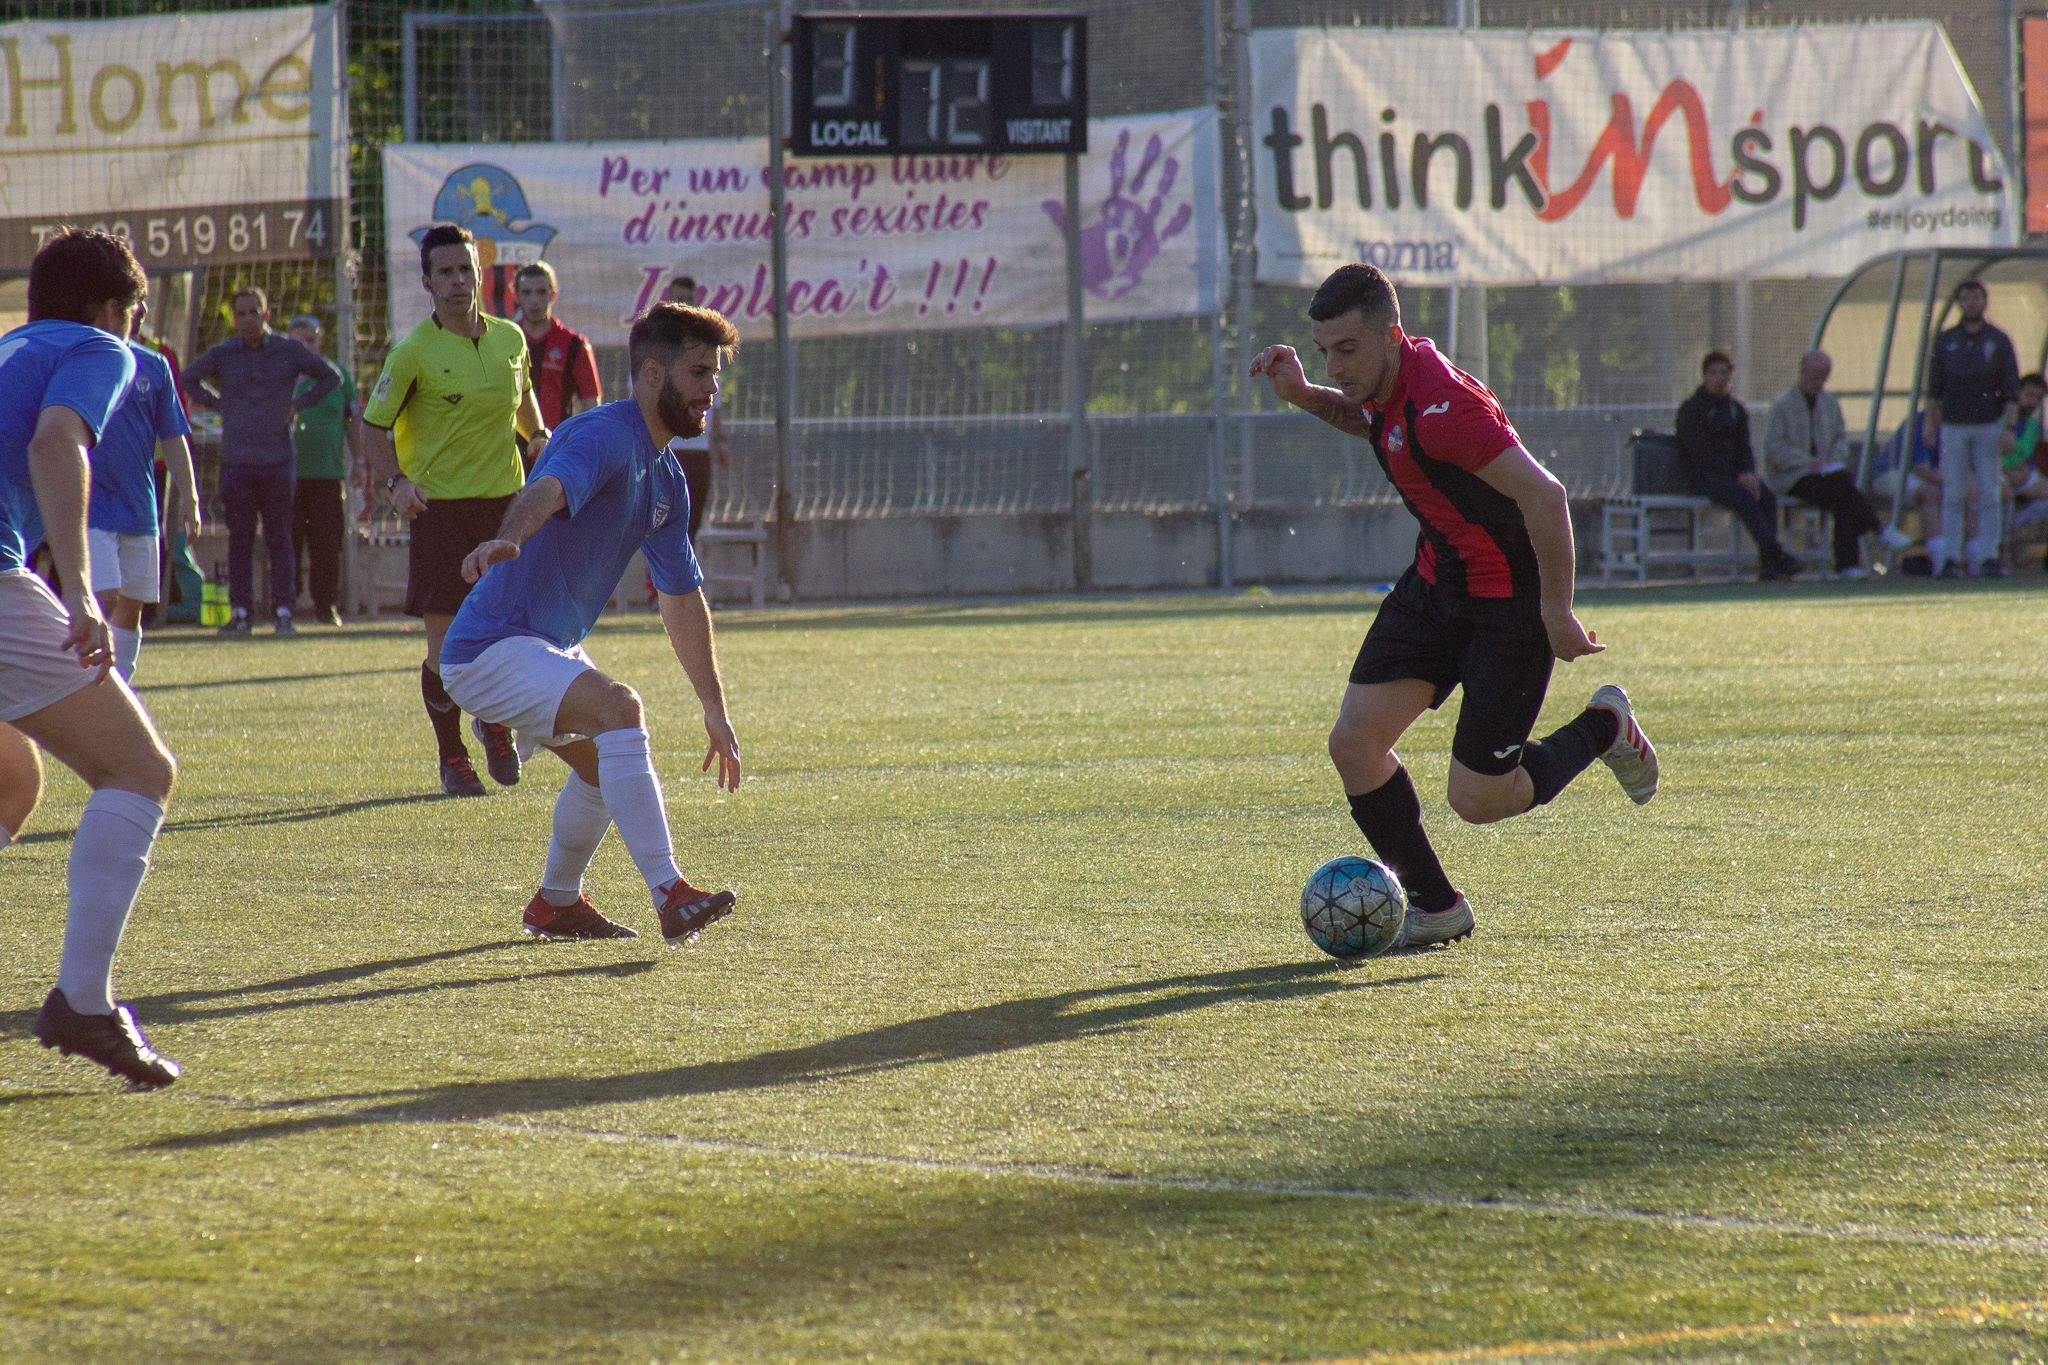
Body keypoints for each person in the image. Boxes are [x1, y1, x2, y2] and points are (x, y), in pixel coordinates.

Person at [1248, 263, 1657, 950]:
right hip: (1436, 587)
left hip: (1508, 609)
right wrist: (1308, 395)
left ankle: (1603, 726)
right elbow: (1376, 421)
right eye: (1325, 351)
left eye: (1347, 350)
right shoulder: (1390, 381)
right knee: (1354, 744)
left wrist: (1556, 608)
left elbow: (1545, 495)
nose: (1337, 365)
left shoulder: (1446, 406)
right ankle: (1437, 907)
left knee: (1478, 800)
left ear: (1390, 335)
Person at [440, 300, 742, 944]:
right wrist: (509, 539)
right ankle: (670, 892)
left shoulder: (667, 477)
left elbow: (682, 596)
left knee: (611, 768)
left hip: (547, 646)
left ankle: (555, 903)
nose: (711, 389)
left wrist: (713, 707)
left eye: (715, 374)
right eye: (698, 373)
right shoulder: (602, 434)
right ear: (653, 374)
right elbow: (546, 489)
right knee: (621, 710)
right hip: (489, 646)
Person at [2, 227, 182, 1087]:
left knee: (11, 782)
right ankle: (82, 1001)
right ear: (116, 309)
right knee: (140, 769)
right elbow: (53, 443)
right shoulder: (100, 347)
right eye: (135, 317)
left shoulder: (11, 348)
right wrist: (79, 593)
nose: (135, 335)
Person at [362, 224, 551, 798]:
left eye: (464, 270)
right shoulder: (414, 351)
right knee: (445, 651)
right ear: (427, 281)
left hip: (505, 510)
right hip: (440, 514)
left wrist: (538, 434)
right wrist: (396, 482)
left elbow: (521, 399)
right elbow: (372, 427)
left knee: (504, 633)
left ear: (480, 275)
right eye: (444, 272)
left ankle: (494, 722)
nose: (456, 281)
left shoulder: (510, 339)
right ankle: (452, 755)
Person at [183, 286, 338, 636]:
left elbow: (332, 377)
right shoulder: (224, 353)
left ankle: (284, 610)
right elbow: (189, 377)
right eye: (242, 313)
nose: (249, 319)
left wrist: (299, 403)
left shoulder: (287, 349)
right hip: (237, 461)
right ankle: (240, 612)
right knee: (239, 538)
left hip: (277, 460)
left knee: (279, 537)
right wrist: (220, 403)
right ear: (235, 318)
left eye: (255, 312)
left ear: (266, 315)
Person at [86, 328, 201, 679]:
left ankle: (119, 686)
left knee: (132, 606)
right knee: (103, 599)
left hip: (139, 507)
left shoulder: (155, 365)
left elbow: (174, 437)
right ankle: (89, 686)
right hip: (92, 506)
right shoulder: (82, 357)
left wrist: (191, 498)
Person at [1761, 350, 1911, 578]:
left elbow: (1841, 440)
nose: (1819, 383)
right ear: (1802, 373)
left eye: (1824, 377)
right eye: (1815, 376)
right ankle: (1877, 532)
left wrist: (1831, 461)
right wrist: (1809, 463)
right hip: (1793, 477)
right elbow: (1774, 449)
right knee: (1843, 490)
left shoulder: (1829, 404)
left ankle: (1849, 564)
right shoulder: (1781, 405)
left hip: (1828, 475)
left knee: (1841, 493)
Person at [1675, 351, 1801, 582]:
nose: (1719, 378)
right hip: (1702, 477)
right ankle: (1776, 555)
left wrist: (1748, 473)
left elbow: (1745, 449)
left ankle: (1770, 565)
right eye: (1713, 373)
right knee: (1743, 495)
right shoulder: (1691, 409)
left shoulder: (1736, 410)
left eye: (1724, 372)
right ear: (1704, 376)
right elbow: (1700, 454)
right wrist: (1738, 476)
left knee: (1766, 497)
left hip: (1734, 478)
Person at [1923, 278, 2020, 578]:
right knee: (1953, 492)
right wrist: (1930, 423)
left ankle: (1989, 556)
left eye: (1977, 297)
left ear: (1985, 301)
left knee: (1990, 491)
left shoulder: (1998, 340)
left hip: (1988, 425)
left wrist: (2009, 428)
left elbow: (2011, 390)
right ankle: (1951, 557)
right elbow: (1934, 390)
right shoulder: (1946, 341)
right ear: (1959, 302)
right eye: (1966, 297)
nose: (1972, 303)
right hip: (1953, 426)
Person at [287, 314, 359, 625]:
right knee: (288, 542)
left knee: (327, 545)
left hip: (328, 475)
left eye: (312, 339)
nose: (306, 346)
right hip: (286, 476)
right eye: (299, 341)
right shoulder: (282, 376)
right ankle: (285, 605)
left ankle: (325, 605)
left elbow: (353, 422)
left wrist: (360, 462)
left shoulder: (338, 375)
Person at [661, 275, 730, 542]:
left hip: (697, 452)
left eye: (687, 300)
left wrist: (720, 440)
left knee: (690, 528)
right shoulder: (657, 343)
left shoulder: (707, 344)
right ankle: (656, 583)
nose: (682, 306)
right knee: (661, 527)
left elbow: (715, 396)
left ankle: (678, 583)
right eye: (677, 299)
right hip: (665, 450)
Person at [516, 262, 602, 433]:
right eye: (526, 293)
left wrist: (576, 442)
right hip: (511, 447)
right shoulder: (505, 341)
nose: (534, 300)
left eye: (541, 292)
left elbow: (591, 403)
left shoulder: (575, 345)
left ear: (553, 295)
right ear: (516, 296)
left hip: (557, 447)